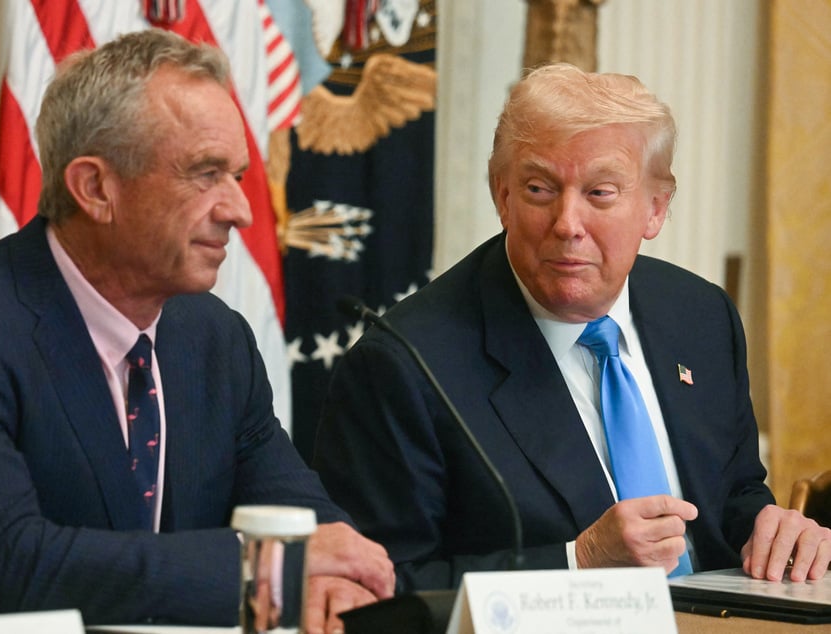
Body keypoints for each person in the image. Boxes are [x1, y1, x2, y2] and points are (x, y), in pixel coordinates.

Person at [0, 29, 394, 630]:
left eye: (236, 174)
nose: (241, 210)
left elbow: (292, 508)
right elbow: (13, 567)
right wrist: (267, 572)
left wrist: (335, 575)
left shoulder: (215, 338)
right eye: (205, 174)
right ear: (96, 188)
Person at [312, 62, 831, 592]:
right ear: (503, 196)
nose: (567, 224)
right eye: (540, 188)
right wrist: (576, 563)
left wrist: (774, 532)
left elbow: (735, 492)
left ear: (655, 208)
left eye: (600, 193)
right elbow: (380, 590)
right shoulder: (404, 366)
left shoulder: (701, 316)